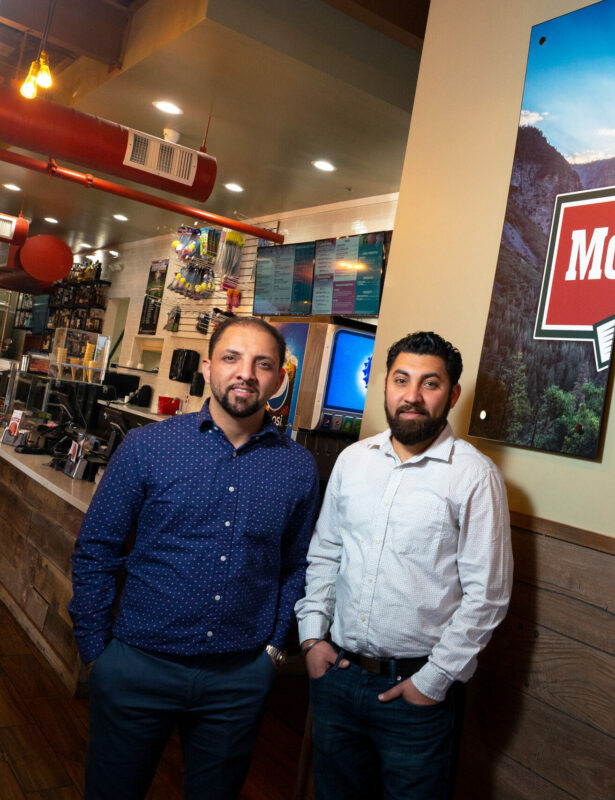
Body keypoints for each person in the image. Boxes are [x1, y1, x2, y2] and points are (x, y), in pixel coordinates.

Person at [69, 316, 320, 799]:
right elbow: (97, 547)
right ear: (207, 368)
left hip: (238, 678)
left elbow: (297, 565)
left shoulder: (297, 468)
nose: (245, 373)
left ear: (279, 379)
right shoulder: (149, 446)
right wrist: (97, 651)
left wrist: (272, 651)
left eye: (262, 364)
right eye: (231, 358)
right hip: (137, 666)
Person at [295, 331, 513, 799]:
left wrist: (432, 682)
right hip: (337, 678)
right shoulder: (353, 461)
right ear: (385, 386)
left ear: (452, 395)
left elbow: (487, 596)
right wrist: (312, 636)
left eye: (430, 384)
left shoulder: (475, 477)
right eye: (402, 380)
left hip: (416, 694)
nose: (412, 396)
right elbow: (326, 552)